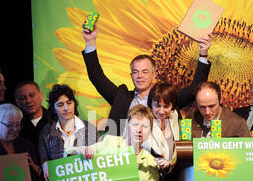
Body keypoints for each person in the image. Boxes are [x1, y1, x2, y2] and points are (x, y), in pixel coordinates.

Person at [82, 24, 212, 136]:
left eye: (145, 72)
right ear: (131, 75)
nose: (140, 76)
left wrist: (203, 53)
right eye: (135, 72)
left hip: (162, 159)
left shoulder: (167, 97)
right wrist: (90, 43)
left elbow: (196, 87)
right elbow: (96, 77)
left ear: (154, 75)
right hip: (128, 158)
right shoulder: (121, 97)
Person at [38, 84, 98, 180]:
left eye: (69, 103)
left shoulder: (89, 129)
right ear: (53, 109)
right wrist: (45, 164)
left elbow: (99, 158)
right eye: (60, 105)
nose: (66, 108)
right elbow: (44, 158)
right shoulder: (46, 132)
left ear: (74, 103)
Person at [14, 80, 51, 149]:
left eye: (32, 95)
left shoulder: (55, 119)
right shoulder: (16, 126)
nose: (28, 101)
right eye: (23, 98)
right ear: (17, 102)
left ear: (41, 96)